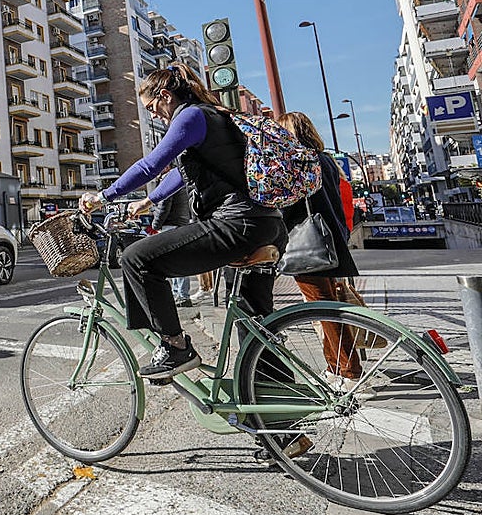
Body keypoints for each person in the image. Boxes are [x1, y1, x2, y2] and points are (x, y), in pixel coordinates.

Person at [78, 63, 287, 379]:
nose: (154, 116)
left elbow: (151, 166)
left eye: (152, 108)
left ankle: (175, 346)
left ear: (165, 96)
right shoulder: (214, 116)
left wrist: (103, 197)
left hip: (234, 223)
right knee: (255, 322)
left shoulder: (189, 116)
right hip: (266, 223)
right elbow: (179, 173)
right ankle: (276, 411)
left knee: (136, 258)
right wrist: (148, 201)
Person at [277, 111, 362, 389]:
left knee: (324, 309)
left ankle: (348, 373)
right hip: (331, 239)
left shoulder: (299, 163)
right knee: (327, 305)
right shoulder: (325, 160)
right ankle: (335, 367)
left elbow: (290, 206)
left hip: (308, 244)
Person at [139, 183, 199, 307]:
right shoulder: (180, 183)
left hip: (170, 224)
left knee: (174, 263)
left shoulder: (168, 182)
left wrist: (155, 225)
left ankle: (181, 295)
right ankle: (179, 294)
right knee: (177, 261)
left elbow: (164, 205)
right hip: (181, 222)